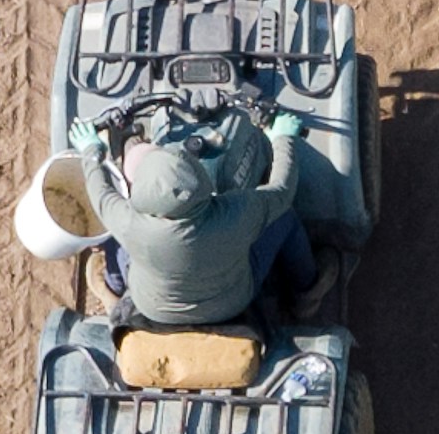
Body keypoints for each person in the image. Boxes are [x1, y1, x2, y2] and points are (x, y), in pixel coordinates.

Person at [25, 94, 358, 329]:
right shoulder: (237, 214)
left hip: (152, 304)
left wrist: (91, 150)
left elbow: (99, 192)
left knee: (111, 235)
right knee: (283, 218)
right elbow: (282, 192)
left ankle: (114, 289)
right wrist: (281, 137)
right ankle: (307, 290)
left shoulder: (128, 220)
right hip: (232, 301)